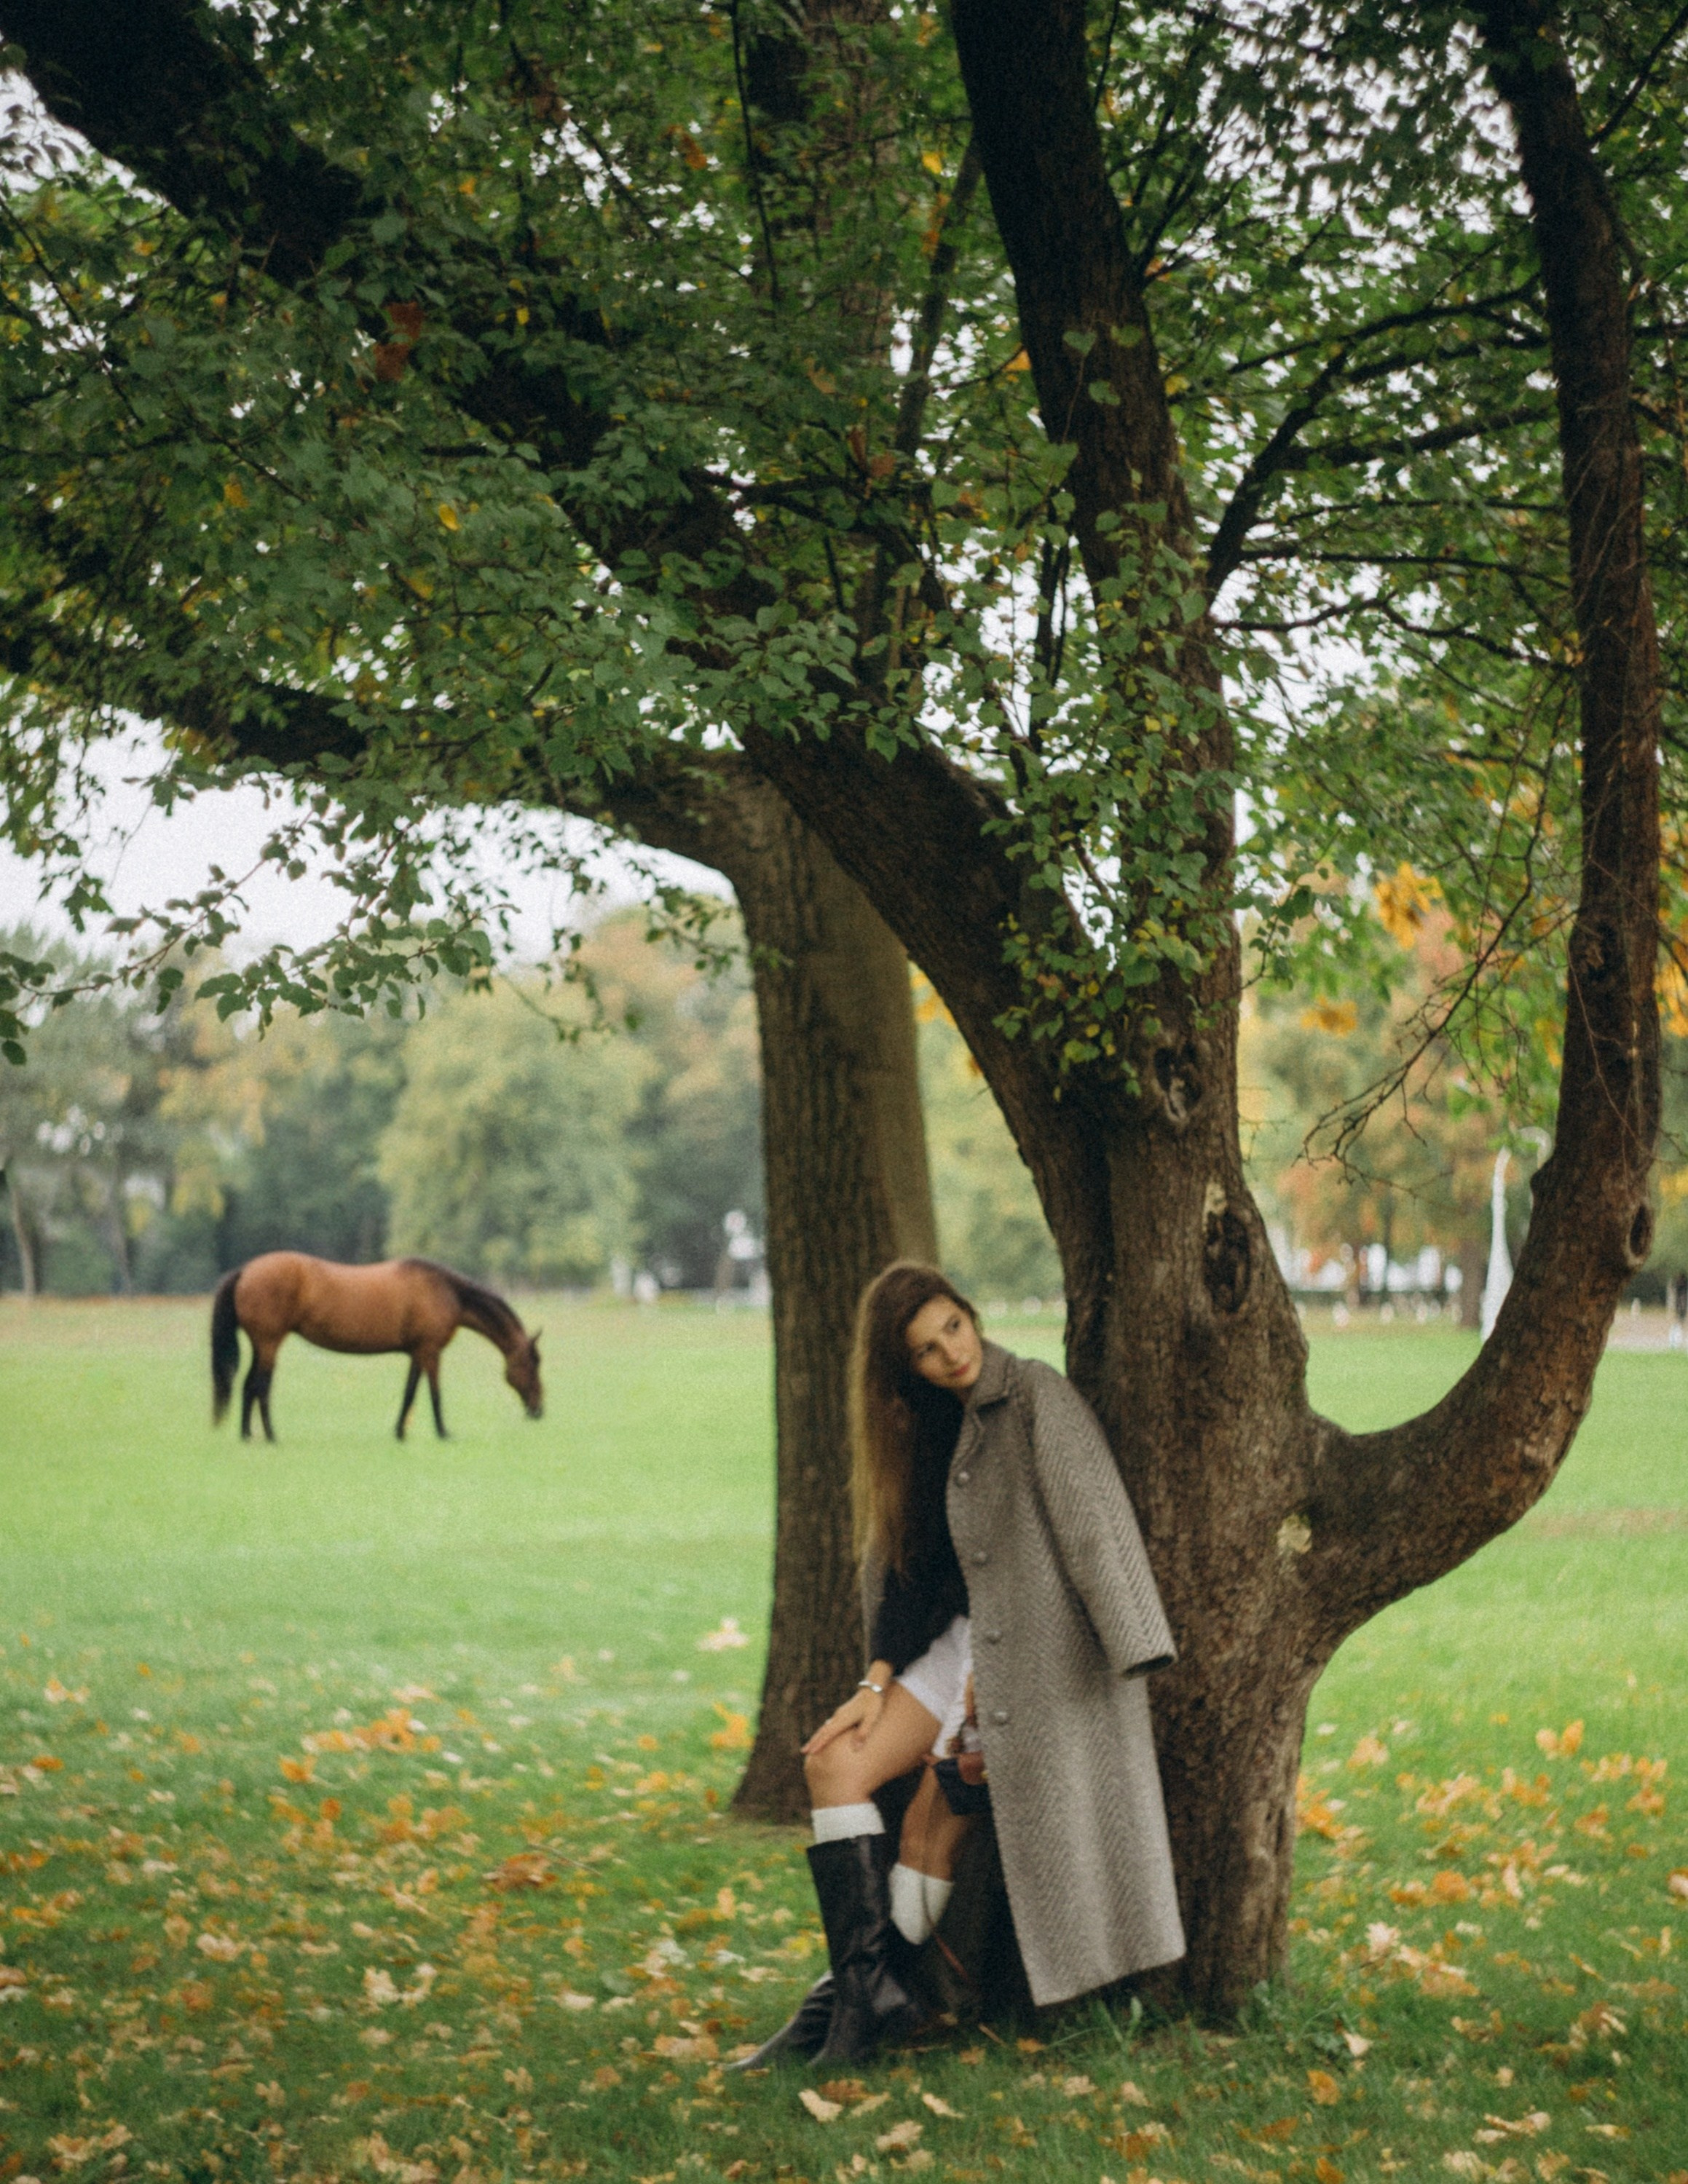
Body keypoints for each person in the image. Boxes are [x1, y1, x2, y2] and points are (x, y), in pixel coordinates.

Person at [735, 1262, 1185, 2070]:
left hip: (1035, 1660)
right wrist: (873, 1686)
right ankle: (861, 1993)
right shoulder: (908, 1433)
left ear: (969, 1315)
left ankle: (851, 2006)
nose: (950, 1353)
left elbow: (1091, 1525)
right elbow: (907, 1578)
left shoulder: (1034, 1397)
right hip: (950, 1652)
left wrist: (1132, 1638)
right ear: (900, 1368)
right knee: (832, 1765)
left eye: (953, 1326)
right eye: (924, 1348)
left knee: (923, 1832)